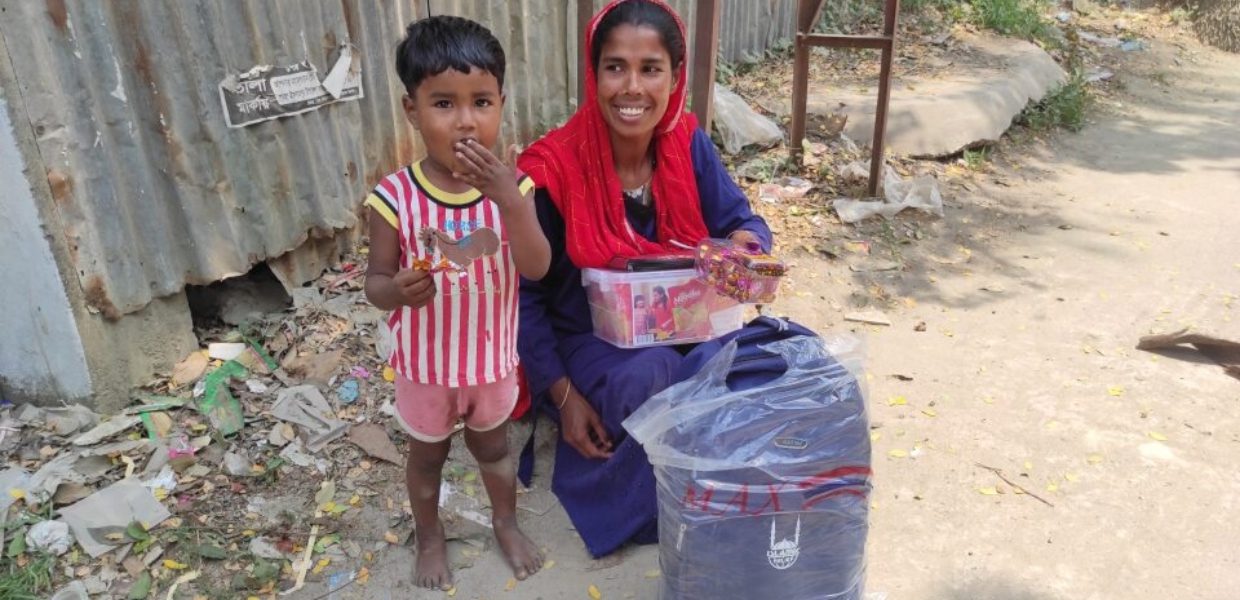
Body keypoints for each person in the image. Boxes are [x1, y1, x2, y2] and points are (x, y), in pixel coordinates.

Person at [517, 0, 773, 558]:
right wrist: (562, 398)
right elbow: (525, 299)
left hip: (685, 316)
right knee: (654, 375)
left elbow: (740, 220)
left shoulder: (685, 142)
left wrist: (748, 250)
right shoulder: (551, 170)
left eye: (650, 68)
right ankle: (646, 504)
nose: (631, 88)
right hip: (591, 337)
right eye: (615, 67)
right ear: (594, 73)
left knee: (761, 355)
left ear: (674, 77)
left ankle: (719, 483)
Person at [363, 16, 550, 590]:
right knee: (427, 458)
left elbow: (537, 266)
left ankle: (505, 520)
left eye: (482, 102)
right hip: (426, 369)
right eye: (443, 103)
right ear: (411, 110)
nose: (466, 121)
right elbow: (374, 283)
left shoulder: (515, 190)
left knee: (494, 448)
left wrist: (511, 203)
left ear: (501, 104)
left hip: (490, 362)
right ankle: (429, 535)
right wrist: (394, 291)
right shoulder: (393, 198)